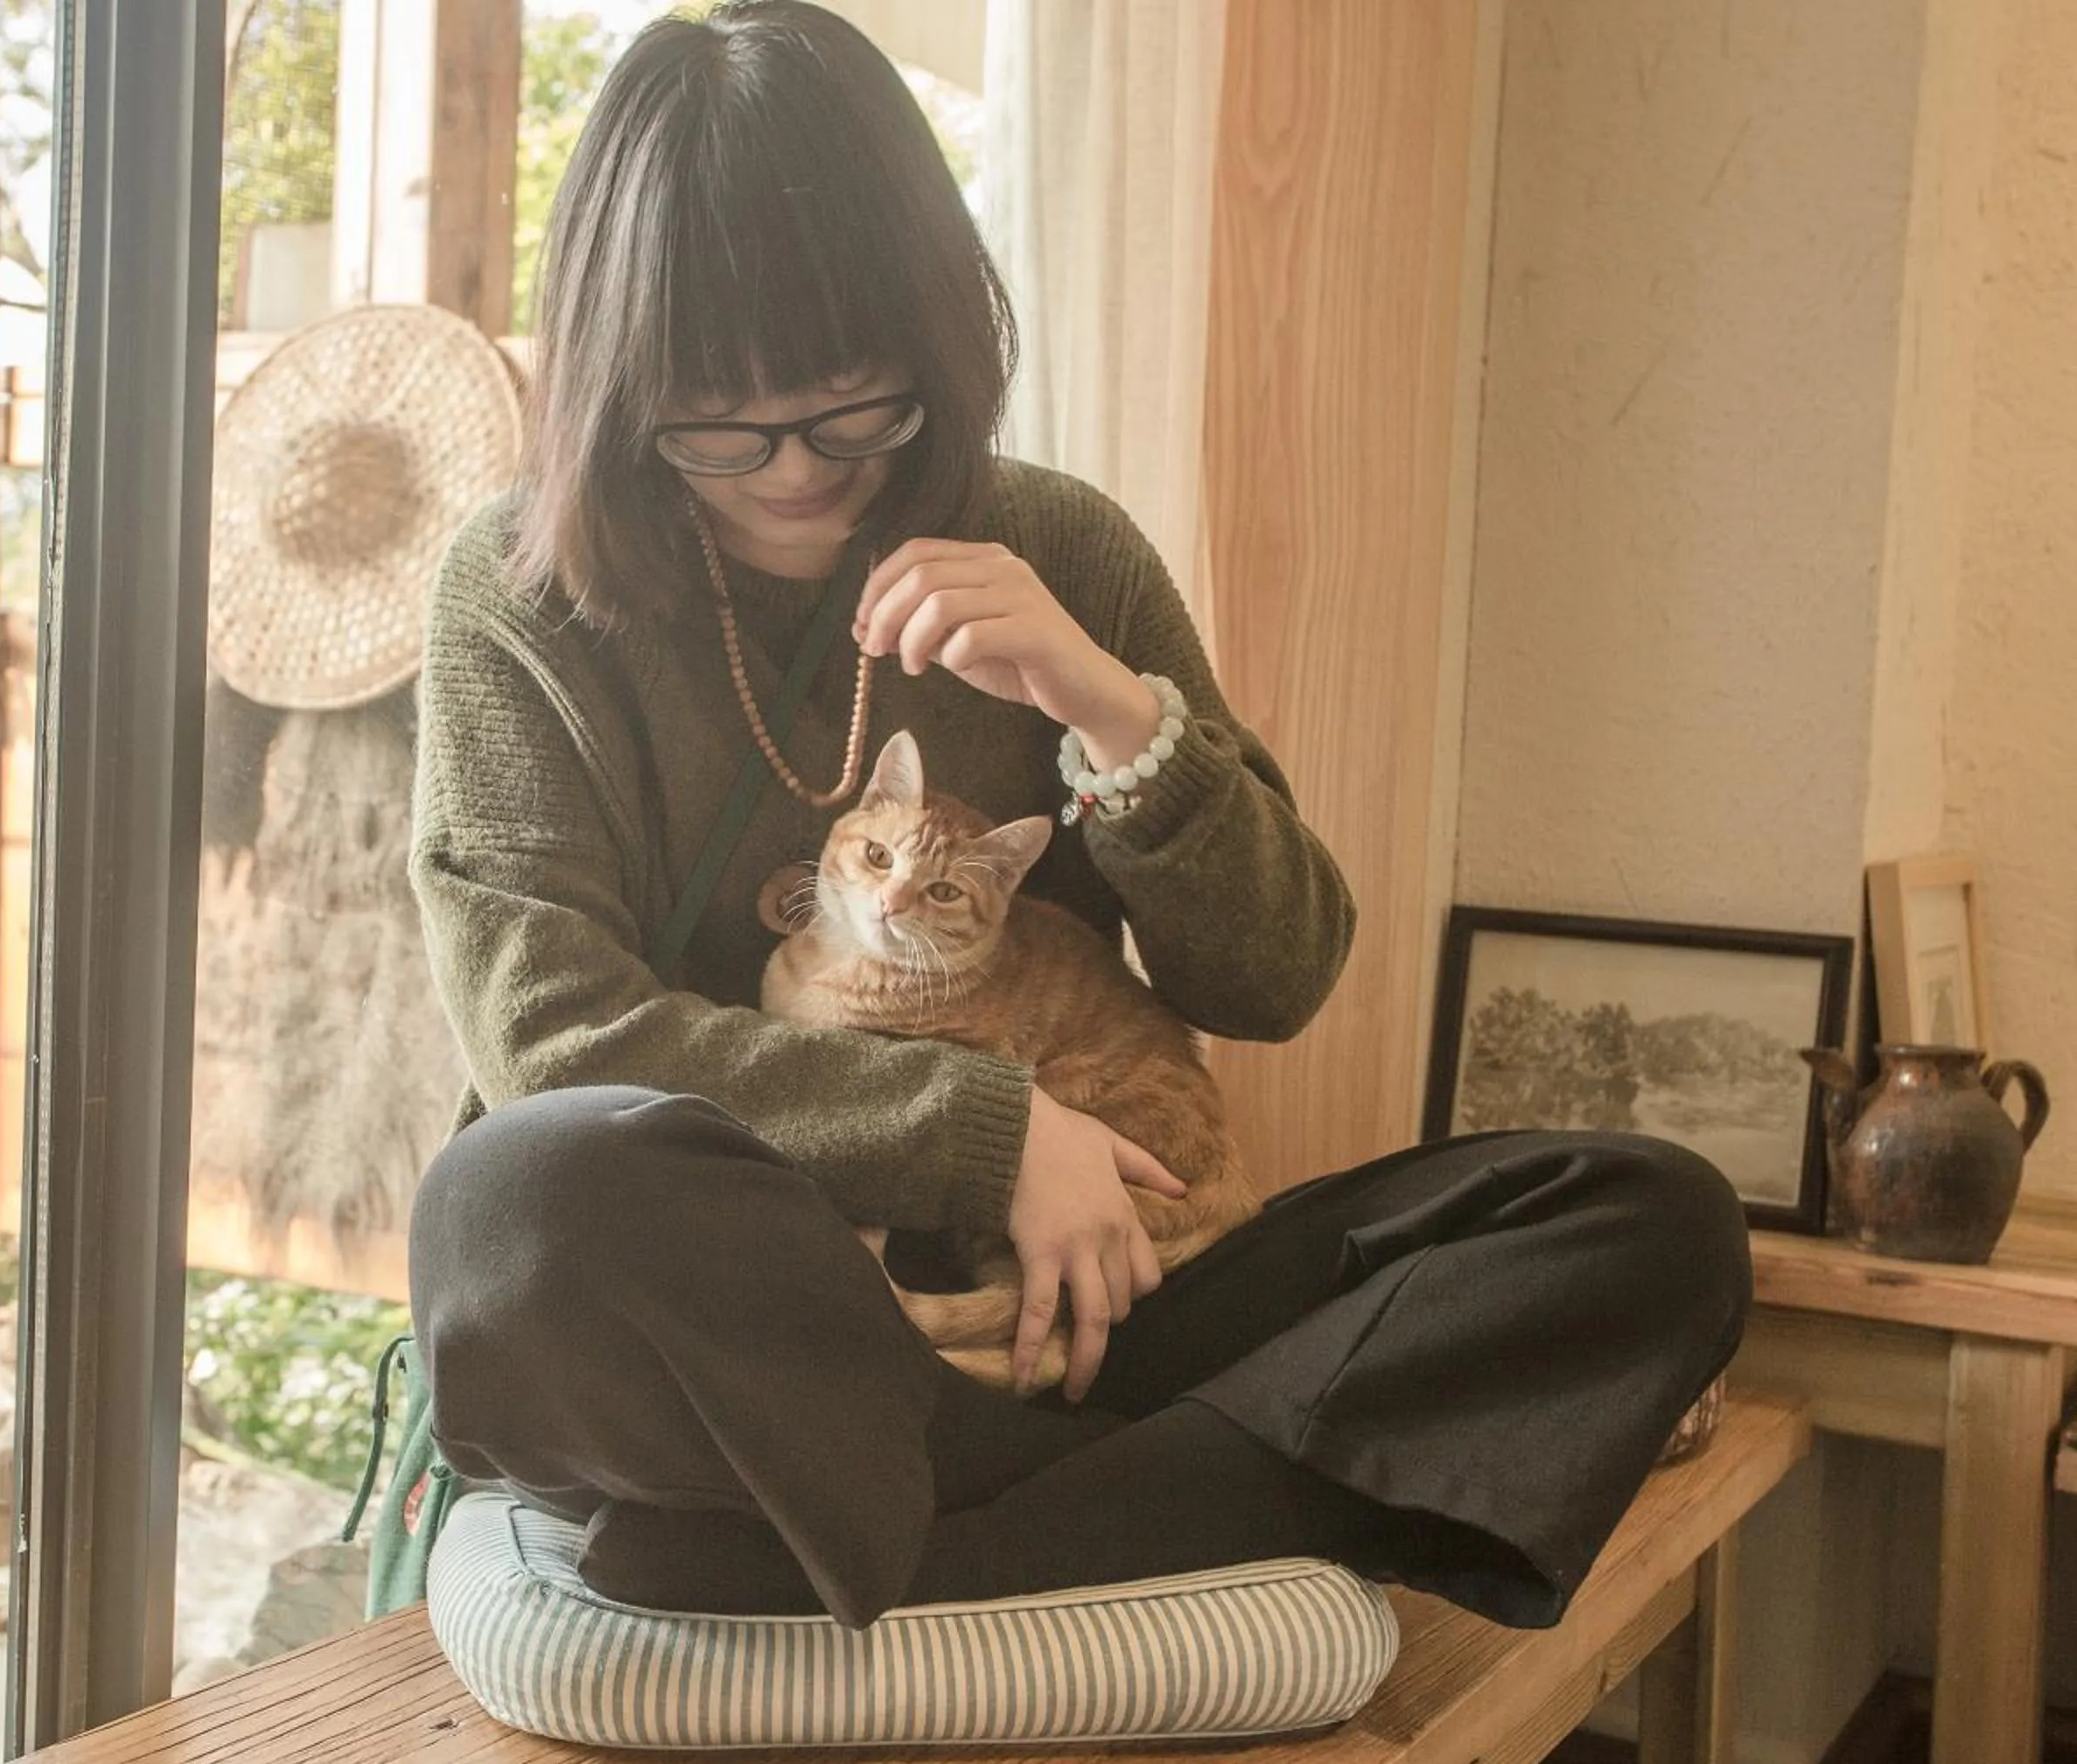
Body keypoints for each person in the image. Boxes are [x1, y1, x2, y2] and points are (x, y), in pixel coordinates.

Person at [405, 0, 1749, 1634]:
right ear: (622, 383)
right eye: (719, 425)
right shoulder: (523, 598)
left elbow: (1276, 976)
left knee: (1651, 1227)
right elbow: (547, 1039)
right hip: (756, 1349)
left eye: (854, 410)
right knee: (519, 1199)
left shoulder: (1059, 549)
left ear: (937, 336)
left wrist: (1114, 713)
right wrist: (986, 1132)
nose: (791, 474)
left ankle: (908, 1559)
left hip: (1092, 1315)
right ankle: (1167, 1509)